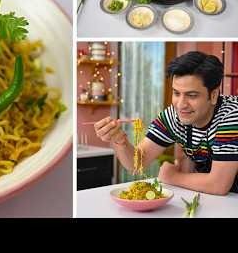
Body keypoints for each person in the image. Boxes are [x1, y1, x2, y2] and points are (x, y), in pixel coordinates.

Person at [94, 51, 238, 195]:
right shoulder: (174, 115)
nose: (181, 104)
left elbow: (218, 184)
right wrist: (120, 140)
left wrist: (172, 176)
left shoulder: (231, 116)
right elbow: (136, 164)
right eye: (176, 93)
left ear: (213, 95)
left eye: (192, 95)